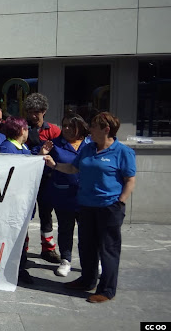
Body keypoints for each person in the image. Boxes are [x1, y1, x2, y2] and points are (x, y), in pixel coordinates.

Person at [44, 112, 136, 303]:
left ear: (106, 129)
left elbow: (129, 180)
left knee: (108, 249)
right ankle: (87, 280)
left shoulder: (122, 152)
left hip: (109, 208)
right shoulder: (88, 149)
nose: (90, 130)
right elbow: (72, 169)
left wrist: (120, 202)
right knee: (86, 246)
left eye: (94, 126)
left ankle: (107, 289)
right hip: (85, 205)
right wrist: (54, 165)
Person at [43, 113, 90, 277]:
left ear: (80, 127)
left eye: (71, 125)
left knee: (88, 231)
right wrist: (42, 155)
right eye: (65, 125)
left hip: (87, 196)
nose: (67, 129)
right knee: (65, 229)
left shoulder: (91, 144)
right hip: (63, 194)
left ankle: (91, 261)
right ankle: (66, 260)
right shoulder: (55, 145)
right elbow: (44, 167)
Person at [24, 93, 62, 264]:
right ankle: (22, 249)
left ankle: (48, 249)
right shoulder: (22, 127)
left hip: (47, 179)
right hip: (27, 180)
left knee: (46, 214)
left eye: (36, 112)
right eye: (30, 112)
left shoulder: (53, 130)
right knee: (23, 215)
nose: (33, 116)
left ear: (44, 111)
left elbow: (60, 153)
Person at [0, 116, 34, 284]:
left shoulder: (23, 147)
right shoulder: (7, 149)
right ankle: (12, 268)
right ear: (21, 130)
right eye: (26, 129)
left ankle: (19, 266)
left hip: (23, 201)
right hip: (12, 204)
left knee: (21, 237)